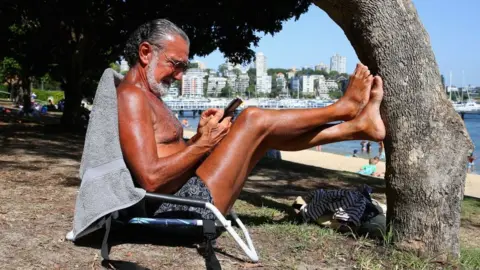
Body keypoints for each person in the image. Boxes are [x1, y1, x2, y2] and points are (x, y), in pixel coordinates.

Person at [117, 19, 386, 220]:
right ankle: (342, 109)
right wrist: (204, 145)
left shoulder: (148, 96)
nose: (179, 76)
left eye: (183, 68)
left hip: (188, 194)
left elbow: (164, 156)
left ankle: (356, 127)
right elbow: (151, 179)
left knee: (265, 134)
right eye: (176, 64)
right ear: (145, 53)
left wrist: (200, 137)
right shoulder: (131, 96)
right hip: (179, 207)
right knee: (252, 118)